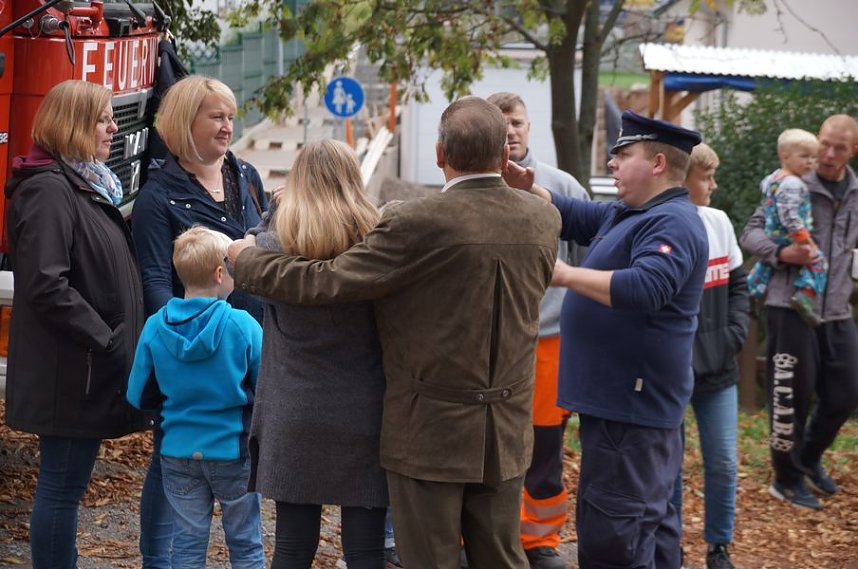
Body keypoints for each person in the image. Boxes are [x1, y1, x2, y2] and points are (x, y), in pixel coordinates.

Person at [227, 96, 561, 569]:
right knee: (500, 557)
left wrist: (248, 259)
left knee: (429, 558)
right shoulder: (543, 219)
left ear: (439, 155)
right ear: (505, 156)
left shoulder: (415, 222)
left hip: (427, 430)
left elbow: (325, 281)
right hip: (505, 428)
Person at [504, 110, 708, 569]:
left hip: (631, 414)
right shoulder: (632, 213)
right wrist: (528, 187)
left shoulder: (672, 222)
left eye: (623, 154)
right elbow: (575, 215)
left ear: (657, 163)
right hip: (620, 409)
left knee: (617, 537)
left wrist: (564, 274)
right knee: (643, 531)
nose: (612, 163)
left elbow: (647, 287)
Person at [2, 79, 150, 568]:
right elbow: (46, 285)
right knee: (61, 492)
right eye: (103, 119)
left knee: (65, 490)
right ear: (74, 125)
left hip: (80, 369)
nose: (113, 127)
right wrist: (105, 338)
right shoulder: (50, 190)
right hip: (70, 375)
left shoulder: (83, 183)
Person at [132, 75, 269, 566]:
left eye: (231, 116)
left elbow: (268, 244)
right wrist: (172, 344)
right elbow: (154, 280)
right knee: (169, 465)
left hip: (245, 348)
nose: (228, 125)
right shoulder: (156, 197)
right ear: (184, 121)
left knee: (239, 474)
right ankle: (157, 559)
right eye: (216, 116)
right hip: (189, 357)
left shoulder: (246, 175)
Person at [247, 139, 388, 569]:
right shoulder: (375, 246)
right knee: (365, 551)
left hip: (295, 410)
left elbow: (246, 247)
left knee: (292, 547)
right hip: (364, 411)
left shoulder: (272, 245)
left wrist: (275, 210)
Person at [487, 91, 589, 569]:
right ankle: (480, 537)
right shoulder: (475, 184)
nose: (511, 130)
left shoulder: (562, 185)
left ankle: (539, 540)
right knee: (486, 441)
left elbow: (591, 254)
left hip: (551, 337)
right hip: (490, 337)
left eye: (518, 122)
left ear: (530, 127)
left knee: (545, 443)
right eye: (502, 122)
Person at [126, 226, 265, 568]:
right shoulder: (243, 325)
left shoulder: (156, 326)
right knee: (246, 545)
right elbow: (266, 388)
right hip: (233, 451)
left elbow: (137, 393)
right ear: (220, 274)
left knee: (186, 548)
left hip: (178, 452)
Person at [740, 114, 858, 511]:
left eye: (838, 147)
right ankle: (786, 478)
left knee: (845, 393)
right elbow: (751, 232)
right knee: (791, 396)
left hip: (837, 309)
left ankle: (806, 460)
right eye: (823, 143)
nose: (826, 154)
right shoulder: (792, 180)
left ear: (852, 151)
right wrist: (780, 252)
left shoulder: (856, 193)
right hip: (789, 304)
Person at [673, 143, 749, 569]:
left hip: (718, 369)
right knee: (671, 464)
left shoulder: (719, 222)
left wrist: (734, 334)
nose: (714, 186)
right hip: (673, 371)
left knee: (721, 460)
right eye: (707, 178)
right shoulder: (663, 223)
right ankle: (672, 543)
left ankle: (719, 546)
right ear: (685, 180)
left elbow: (737, 286)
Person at [747, 129, 827, 326]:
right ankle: (805, 296)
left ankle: (750, 290)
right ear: (785, 157)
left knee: (766, 264)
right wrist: (802, 237)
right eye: (804, 157)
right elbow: (789, 214)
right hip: (788, 235)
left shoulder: (773, 178)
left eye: (814, 158)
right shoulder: (793, 184)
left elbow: (770, 203)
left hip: (772, 233)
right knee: (818, 261)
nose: (810, 162)